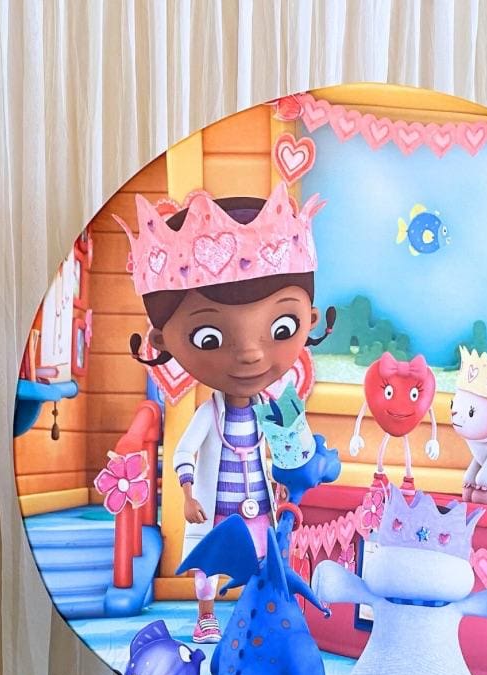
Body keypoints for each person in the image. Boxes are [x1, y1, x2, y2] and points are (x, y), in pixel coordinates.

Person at [115, 182, 331, 643]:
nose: (250, 354)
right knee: (210, 564)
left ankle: (258, 617)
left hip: (259, 505)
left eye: (282, 327)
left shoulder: (274, 407)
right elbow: (185, 451)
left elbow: (294, 453)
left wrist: (300, 463)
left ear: (310, 321)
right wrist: (188, 495)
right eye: (209, 338)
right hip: (216, 509)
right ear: (161, 342)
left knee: (264, 560)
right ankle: (207, 615)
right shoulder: (208, 414)